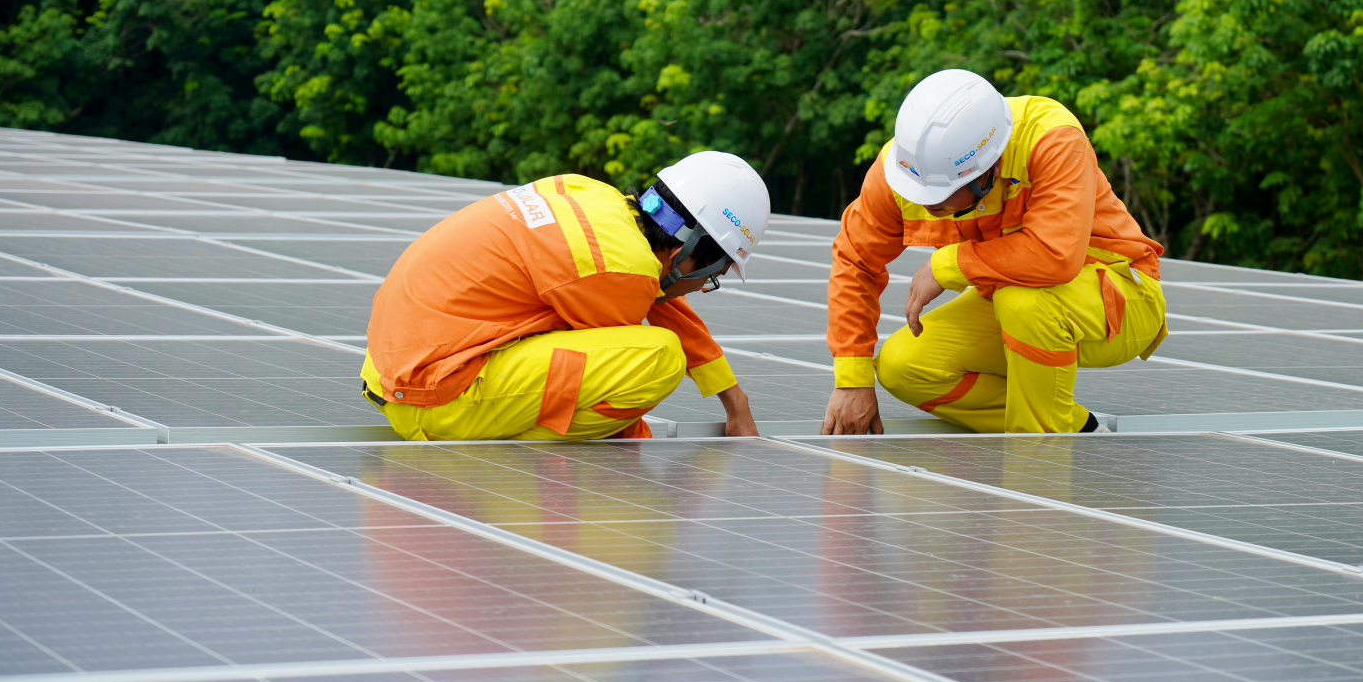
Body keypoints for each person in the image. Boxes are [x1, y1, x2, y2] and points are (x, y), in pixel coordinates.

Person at [821, 68, 1166, 434]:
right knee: (902, 365)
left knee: (1023, 303)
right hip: (1014, 303)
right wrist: (852, 378)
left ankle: (1035, 461)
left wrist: (948, 263)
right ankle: (1076, 428)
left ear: (989, 170)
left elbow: (1056, 255)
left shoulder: (1051, 138)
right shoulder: (904, 171)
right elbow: (854, 260)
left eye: (937, 194)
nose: (923, 202)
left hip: (1122, 296)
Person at [360, 151, 770, 440]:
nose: (702, 289)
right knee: (659, 358)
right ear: (685, 258)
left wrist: (732, 398)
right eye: (712, 277)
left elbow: (654, 296)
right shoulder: (622, 272)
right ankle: (509, 444)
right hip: (433, 396)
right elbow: (629, 338)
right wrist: (631, 442)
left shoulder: (594, 198)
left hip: (393, 368)